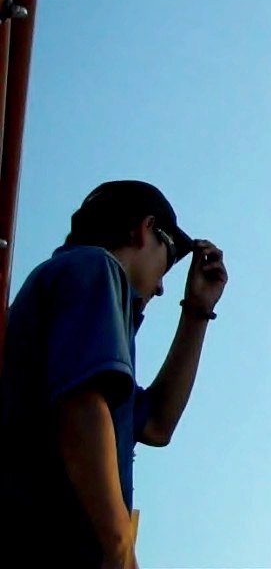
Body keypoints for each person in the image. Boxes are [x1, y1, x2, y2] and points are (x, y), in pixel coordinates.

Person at [0, 180, 228, 569]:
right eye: (166, 263)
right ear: (144, 229)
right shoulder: (94, 268)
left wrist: (197, 312)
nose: (161, 288)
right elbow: (81, 404)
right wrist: (119, 546)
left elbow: (156, 425)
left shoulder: (64, 292)